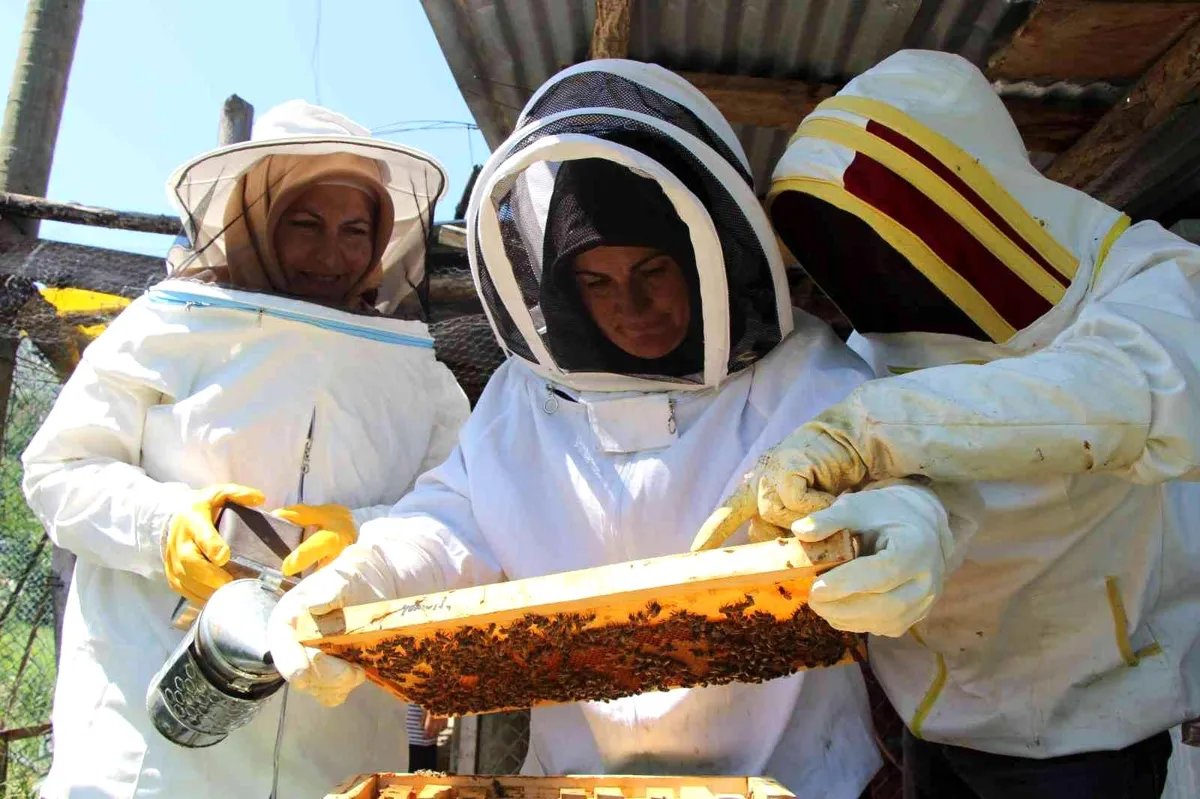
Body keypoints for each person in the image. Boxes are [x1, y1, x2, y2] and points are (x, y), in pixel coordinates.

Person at [266, 60, 957, 799]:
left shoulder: (806, 378)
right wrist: (362, 576)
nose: (628, 304)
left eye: (652, 269)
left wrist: (908, 527)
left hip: (803, 774)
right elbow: (448, 524)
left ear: (704, 259)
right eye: (594, 280)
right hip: (573, 780)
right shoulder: (523, 402)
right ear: (561, 286)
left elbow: (891, 484)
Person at [696, 49, 1200, 798]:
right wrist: (894, 528)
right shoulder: (880, 352)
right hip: (931, 725)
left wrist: (874, 428)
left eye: (898, 226)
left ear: (969, 188)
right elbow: (939, 484)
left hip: (1086, 734)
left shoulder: (1146, 278)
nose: (884, 265)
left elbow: (1133, 393)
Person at [21, 101, 470, 797]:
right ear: (257, 216)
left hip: (337, 756)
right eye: (305, 224)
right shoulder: (163, 330)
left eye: (357, 229)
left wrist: (368, 537)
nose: (334, 254)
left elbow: (460, 520)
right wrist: (163, 525)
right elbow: (57, 470)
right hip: (143, 755)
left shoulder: (423, 381)